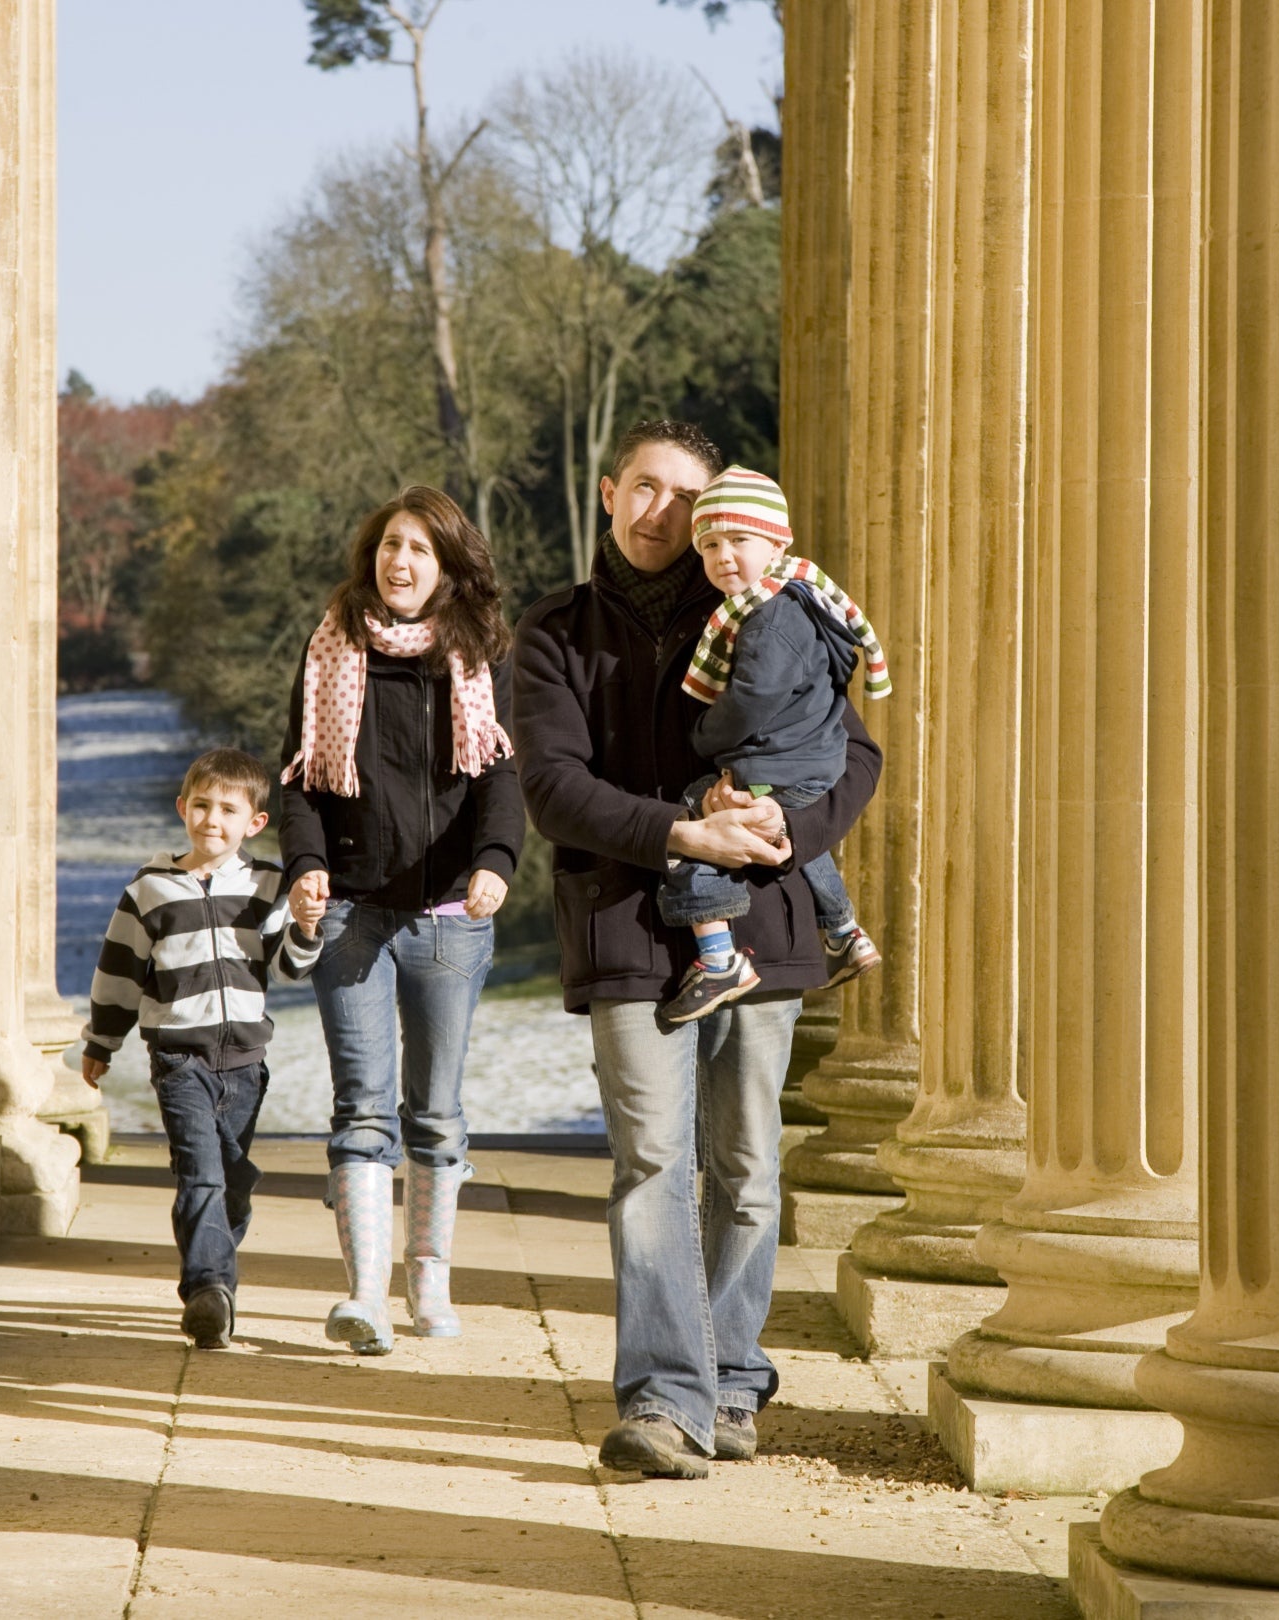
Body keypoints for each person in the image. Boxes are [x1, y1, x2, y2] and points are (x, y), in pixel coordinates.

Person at [506, 420, 881, 1477]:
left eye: (685, 494)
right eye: (644, 488)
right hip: (626, 922)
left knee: (750, 1165)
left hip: (760, 917)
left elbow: (853, 752)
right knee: (655, 1163)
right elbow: (552, 787)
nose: (662, 509)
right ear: (608, 494)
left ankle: (730, 1383)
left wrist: (782, 835)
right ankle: (665, 1397)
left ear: (721, 513)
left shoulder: (775, 607)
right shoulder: (555, 631)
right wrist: (683, 832)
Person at [279, 485, 525, 1354]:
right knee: (361, 1110)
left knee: (437, 1113)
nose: (401, 561)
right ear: (371, 556)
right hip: (351, 911)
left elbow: (501, 780)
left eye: (420, 548)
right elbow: (300, 779)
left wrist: (495, 865)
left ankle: (429, 1279)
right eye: (391, 545)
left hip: (451, 916)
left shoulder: (477, 657)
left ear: (448, 566)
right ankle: (366, 1298)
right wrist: (305, 865)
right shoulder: (329, 650)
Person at [77, 748, 320, 1351]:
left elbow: (290, 967)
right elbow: (119, 973)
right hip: (179, 1059)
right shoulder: (150, 891)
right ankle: (209, 1290)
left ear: (253, 823)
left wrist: (307, 926)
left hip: (244, 1063)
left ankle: (214, 1272)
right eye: (202, 805)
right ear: (183, 808)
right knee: (201, 1173)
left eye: (228, 810)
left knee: (231, 1180)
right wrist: (102, 1040)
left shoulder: (268, 887)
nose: (213, 820)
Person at [657, 465, 889, 1021]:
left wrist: (706, 737)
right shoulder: (803, 600)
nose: (723, 556)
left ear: (776, 541)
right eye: (709, 544)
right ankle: (843, 930)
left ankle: (718, 959)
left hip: (784, 762)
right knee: (791, 833)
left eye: (739, 539)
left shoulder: (766, 619)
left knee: (691, 818)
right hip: (812, 762)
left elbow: (752, 698)